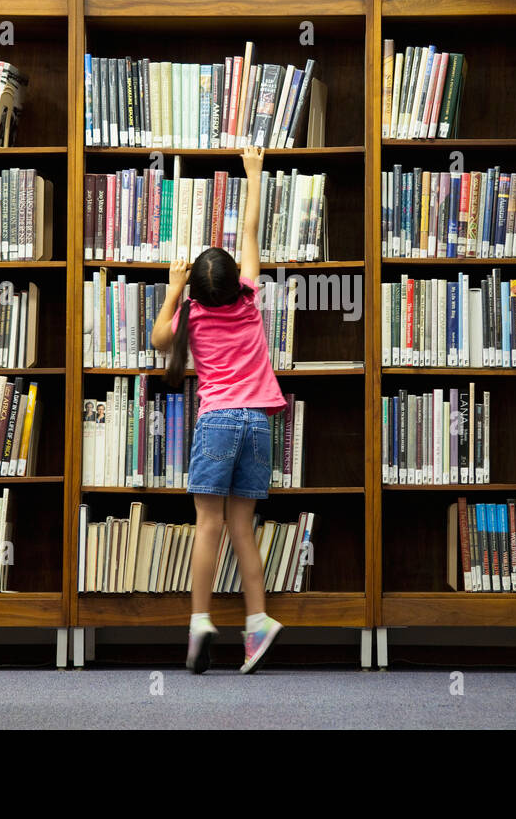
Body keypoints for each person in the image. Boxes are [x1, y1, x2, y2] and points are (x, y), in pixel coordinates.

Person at [150, 145, 287, 674]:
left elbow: (160, 339)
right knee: (242, 528)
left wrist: (173, 288)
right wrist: (254, 174)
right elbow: (250, 234)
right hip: (258, 424)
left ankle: (201, 618)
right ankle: (257, 624)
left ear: (199, 292)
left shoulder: (191, 317)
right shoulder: (250, 299)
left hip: (218, 421)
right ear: (234, 283)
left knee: (207, 525)